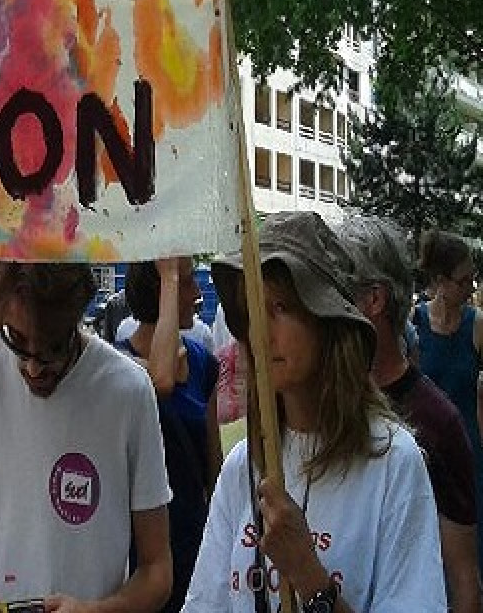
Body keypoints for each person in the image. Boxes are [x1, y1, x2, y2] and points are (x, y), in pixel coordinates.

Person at [185, 211, 446, 613]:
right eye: (253, 309)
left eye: (281, 307)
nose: (260, 330)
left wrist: (309, 576)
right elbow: (206, 602)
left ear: (327, 323)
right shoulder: (245, 464)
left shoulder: (393, 461)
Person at [0, 261, 173, 612]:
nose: (32, 368)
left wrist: (95, 611)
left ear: (77, 315)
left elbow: (158, 569)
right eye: (16, 340)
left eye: (52, 347)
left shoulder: (128, 392)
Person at [337, 216, 481, 613]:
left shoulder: (437, 423)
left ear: (375, 300)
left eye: (336, 291)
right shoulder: (323, 410)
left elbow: (464, 584)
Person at [118, 258, 220, 613]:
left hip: (195, 542)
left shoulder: (203, 363)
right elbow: (160, 380)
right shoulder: (118, 366)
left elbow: (215, 463)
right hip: (139, 551)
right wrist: (170, 273)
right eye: (188, 283)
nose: (197, 294)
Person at [414, 228, 483, 568]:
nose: (471, 287)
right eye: (463, 281)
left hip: (470, 456)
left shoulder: (477, 325)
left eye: (473, 279)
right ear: (440, 281)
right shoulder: (415, 323)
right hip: (427, 459)